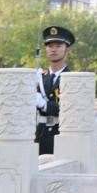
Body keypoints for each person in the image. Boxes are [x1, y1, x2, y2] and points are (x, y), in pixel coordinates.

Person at [35, 25, 75, 155]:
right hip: (40, 135)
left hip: (62, 135)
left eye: (58, 46)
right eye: (50, 46)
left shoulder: (73, 79)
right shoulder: (40, 77)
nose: (53, 50)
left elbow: (71, 109)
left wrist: (44, 105)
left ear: (67, 49)